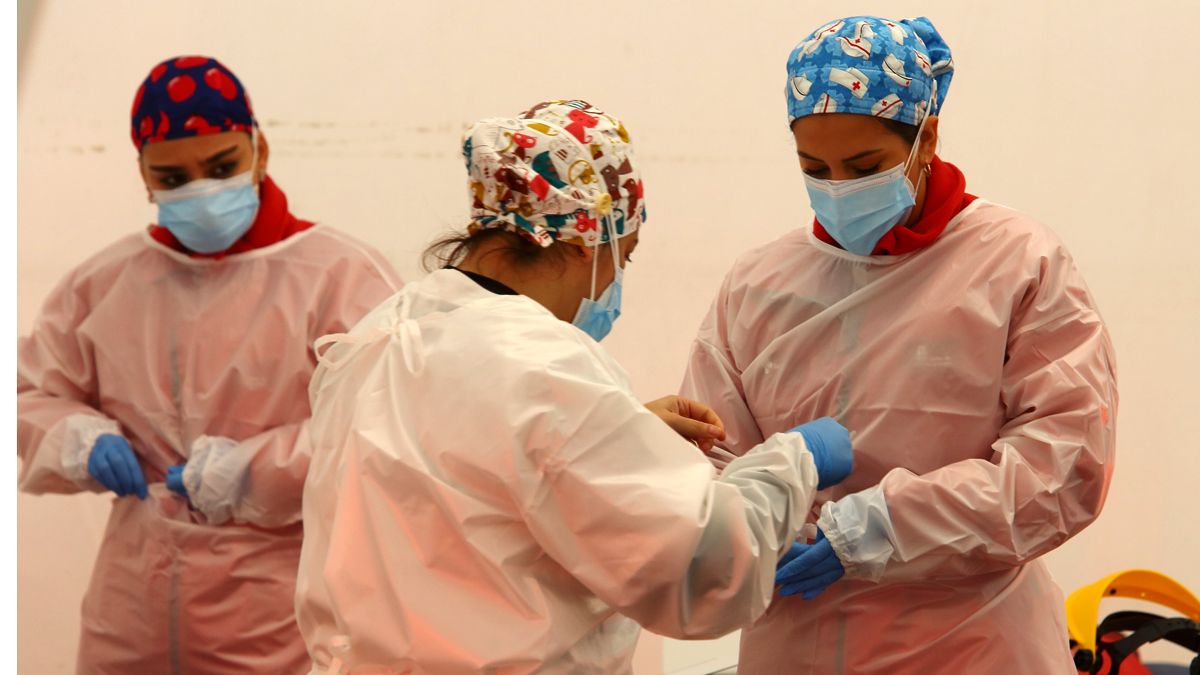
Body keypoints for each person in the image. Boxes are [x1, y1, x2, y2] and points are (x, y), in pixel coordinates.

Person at [295, 99, 855, 674]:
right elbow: (697, 571)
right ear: (586, 243)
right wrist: (793, 463)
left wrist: (618, 427)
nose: (615, 282)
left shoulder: (381, 333)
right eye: (624, 257)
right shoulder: (543, 365)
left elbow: (457, 482)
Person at [681, 16, 1119, 673]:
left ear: (927, 138)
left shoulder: (1015, 264)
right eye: (814, 168)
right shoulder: (758, 285)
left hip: (974, 647)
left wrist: (883, 523)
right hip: (798, 642)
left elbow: (1065, 468)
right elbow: (711, 463)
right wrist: (759, 523)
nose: (838, 187)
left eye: (863, 166)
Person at [17, 55, 402, 674]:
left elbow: (386, 427)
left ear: (260, 148)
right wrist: (73, 438)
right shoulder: (107, 284)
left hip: (278, 614)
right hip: (130, 611)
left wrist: (254, 472)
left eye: (222, 168)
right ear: (142, 173)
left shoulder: (341, 278)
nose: (199, 193)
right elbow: (30, 391)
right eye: (171, 179)